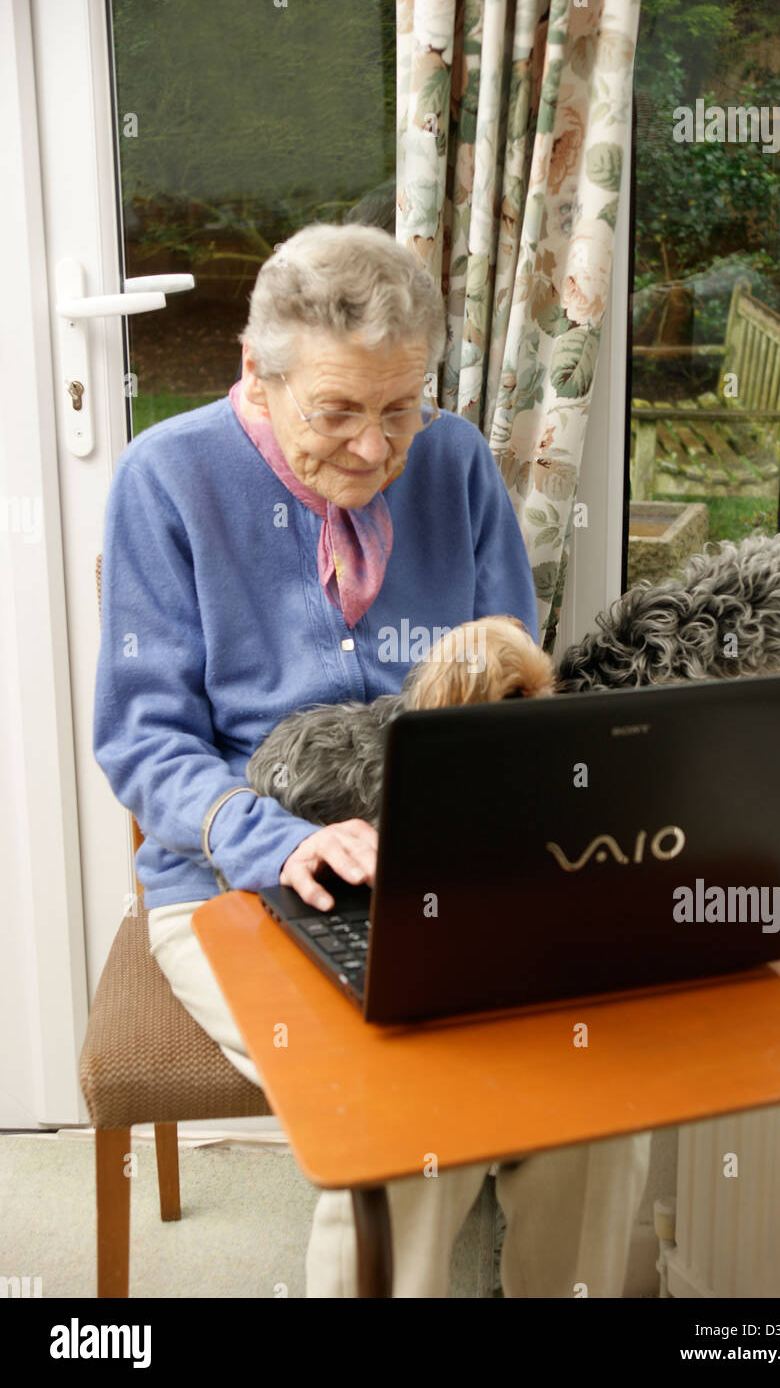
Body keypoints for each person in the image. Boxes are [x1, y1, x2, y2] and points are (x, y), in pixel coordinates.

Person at [93, 223, 650, 1297]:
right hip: (235, 875)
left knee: (597, 1085)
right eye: (337, 412)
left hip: (450, 859)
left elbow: (504, 689)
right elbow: (142, 739)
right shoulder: (167, 478)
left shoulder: (451, 463)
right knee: (407, 1118)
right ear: (258, 374)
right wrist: (283, 838)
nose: (374, 448)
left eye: (402, 408)